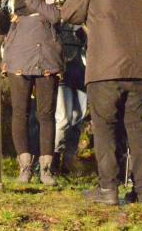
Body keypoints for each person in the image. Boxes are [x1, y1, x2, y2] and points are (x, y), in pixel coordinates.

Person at [60, 0, 142, 205]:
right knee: (138, 127)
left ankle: (108, 189)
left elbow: (69, 13)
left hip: (106, 67)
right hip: (141, 66)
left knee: (105, 128)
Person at [2, 0, 64, 186]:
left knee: (46, 114)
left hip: (47, 53)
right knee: (19, 112)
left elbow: (56, 15)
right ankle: (25, 165)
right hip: (19, 52)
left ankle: (46, 168)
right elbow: (10, 16)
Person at [54, 23, 87, 175]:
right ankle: (53, 159)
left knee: (77, 117)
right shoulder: (56, 20)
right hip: (62, 73)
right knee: (63, 119)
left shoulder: (83, 21)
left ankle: (69, 159)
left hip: (81, 72)